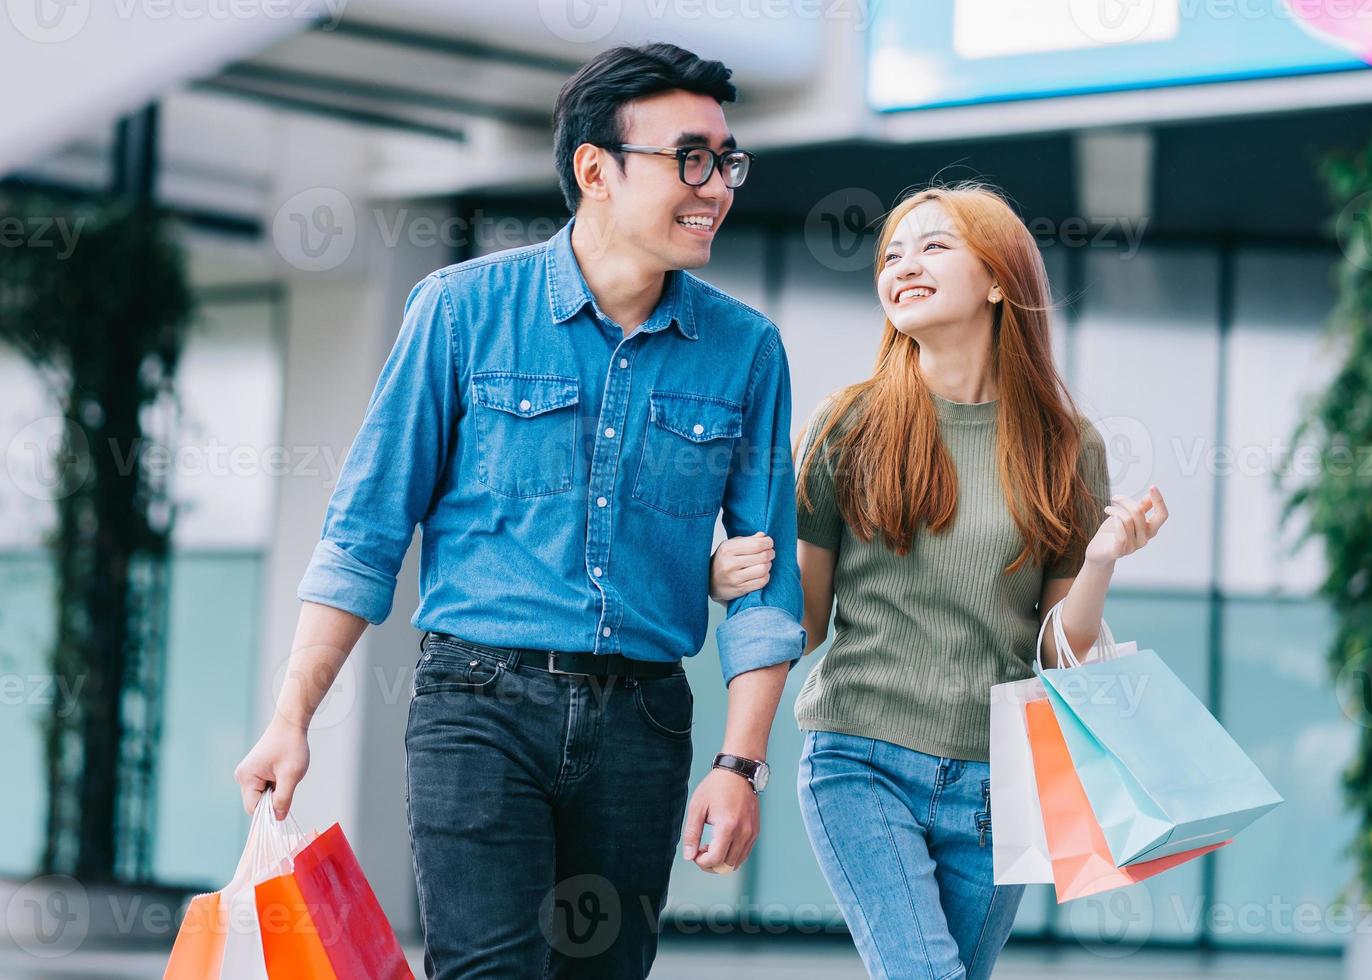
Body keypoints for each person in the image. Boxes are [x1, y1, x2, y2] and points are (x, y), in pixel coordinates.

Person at [233, 42, 807, 979]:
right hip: (479, 707)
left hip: (645, 725)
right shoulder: (460, 312)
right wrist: (292, 717)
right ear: (596, 170)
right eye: (690, 158)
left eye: (725, 160)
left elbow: (768, 584)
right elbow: (363, 535)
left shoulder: (745, 351)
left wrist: (740, 767)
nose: (716, 186)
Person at [710, 183, 1168, 978]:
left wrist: (1099, 561)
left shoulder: (1067, 447)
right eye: (891, 254)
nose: (902, 265)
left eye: (932, 247)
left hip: (999, 783)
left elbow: (1061, 657)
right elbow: (804, 620)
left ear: (997, 280)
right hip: (859, 761)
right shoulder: (849, 422)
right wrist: (727, 579)